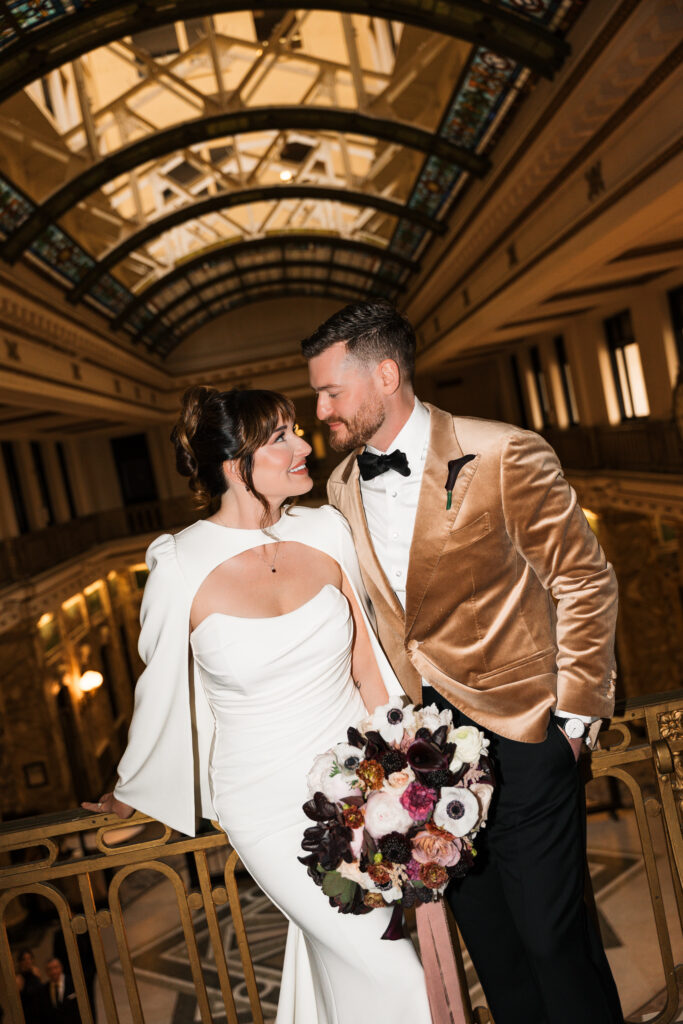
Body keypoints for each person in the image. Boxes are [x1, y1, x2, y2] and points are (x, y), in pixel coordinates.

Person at [303, 300, 624, 1024]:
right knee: (497, 958)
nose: (319, 409)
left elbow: (582, 580)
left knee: (553, 942)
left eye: (329, 391)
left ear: (386, 376)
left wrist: (573, 722)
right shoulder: (340, 487)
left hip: (527, 736)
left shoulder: (503, 451)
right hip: (428, 766)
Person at [82, 386, 431, 1024]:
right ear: (233, 464)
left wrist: (407, 766)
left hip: (358, 790)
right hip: (266, 809)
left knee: (352, 963)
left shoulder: (326, 529)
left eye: (296, 430)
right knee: (397, 973)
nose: (304, 446)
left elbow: (369, 666)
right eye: (280, 438)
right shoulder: (179, 564)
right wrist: (131, 793)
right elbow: (159, 691)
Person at [41, 958, 78, 1023]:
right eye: (49, 969)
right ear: (46, 972)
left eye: (56, 968)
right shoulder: (43, 989)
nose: (53, 972)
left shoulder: (73, 982)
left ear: (61, 967)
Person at [14, 949, 43, 1024]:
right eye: (24, 959)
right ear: (20, 962)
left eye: (29, 958)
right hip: (29, 1015)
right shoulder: (19, 978)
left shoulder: (36, 973)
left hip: (41, 1011)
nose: (27, 961)